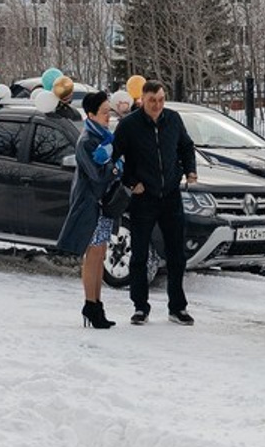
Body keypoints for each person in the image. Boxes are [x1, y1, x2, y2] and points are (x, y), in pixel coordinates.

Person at [112, 80, 198, 325]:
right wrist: (130, 182)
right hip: (143, 197)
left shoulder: (173, 119)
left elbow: (186, 146)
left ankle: (177, 307)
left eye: (161, 100)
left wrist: (189, 170)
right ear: (142, 100)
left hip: (170, 195)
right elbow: (116, 159)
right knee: (139, 255)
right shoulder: (129, 125)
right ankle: (140, 307)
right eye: (152, 101)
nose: (158, 105)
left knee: (176, 255)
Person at [56, 90, 123, 329]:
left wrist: (114, 161)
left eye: (109, 112)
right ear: (91, 115)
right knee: (92, 256)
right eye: (104, 112)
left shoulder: (105, 138)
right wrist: (115, 167)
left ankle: (97, 305)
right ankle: (90, 304)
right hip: (90, 205)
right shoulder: (87, 141)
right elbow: (98, 176)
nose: (108, 117)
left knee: (100, 254)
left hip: (103, 206)